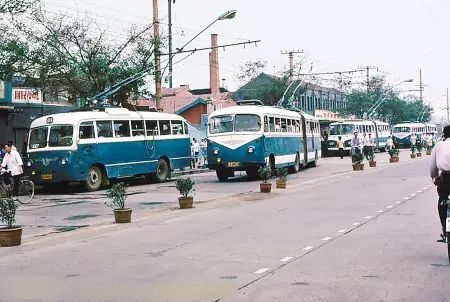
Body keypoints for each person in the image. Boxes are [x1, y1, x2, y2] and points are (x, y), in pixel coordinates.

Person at [430, 125, 450, 242]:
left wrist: (435, 178)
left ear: (444, 135)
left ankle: (444, 227)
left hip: (446, 179)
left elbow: (433, 169)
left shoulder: (438, 146)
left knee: (442, 200)